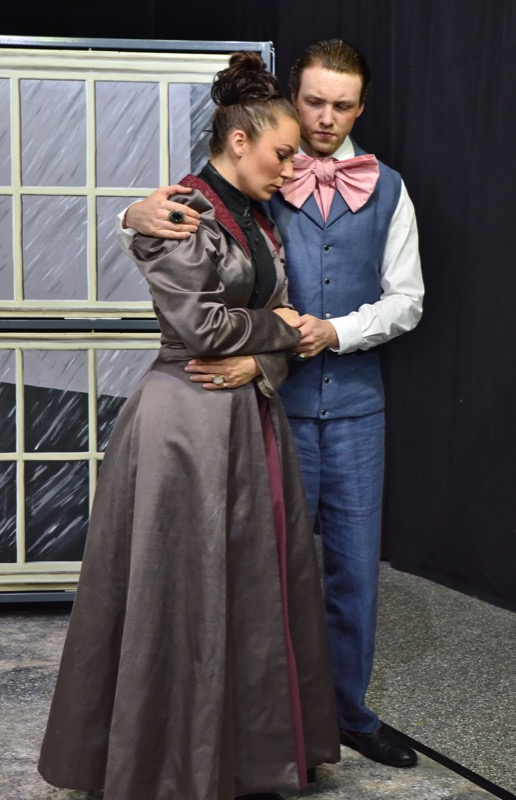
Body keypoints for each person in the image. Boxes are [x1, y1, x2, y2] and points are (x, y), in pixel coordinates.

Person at [38, 52, 340, 800]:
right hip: (184, 425)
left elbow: (263, 330)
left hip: (246, 418)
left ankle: (239, 758)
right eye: (281, 153)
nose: (289, 168)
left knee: (246, 588)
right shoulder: (179, 214)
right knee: (179, 590)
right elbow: (201, 328)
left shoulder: (258, 218)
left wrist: (265, 357)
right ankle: (166, 761)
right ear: (239, 140)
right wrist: (280, 328)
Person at [119, 39, 424, 770]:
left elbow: (408, 300)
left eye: (341, 105)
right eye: (313, 101)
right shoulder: (261, 168)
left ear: (361, 108)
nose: (324, 119)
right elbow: (182, 228)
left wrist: (336, 330)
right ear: (292, 98)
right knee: (265, 573)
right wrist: (129, 214)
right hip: (263, 405)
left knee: (353, 572)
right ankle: (272, 729)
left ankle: (348, 716)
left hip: (355, 409)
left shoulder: (388, 189)